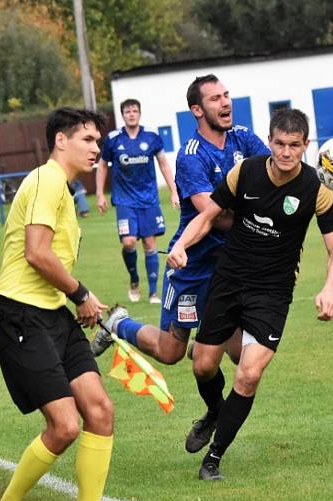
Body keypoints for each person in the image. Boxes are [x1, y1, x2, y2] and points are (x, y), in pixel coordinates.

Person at [0, 107, 136, 501]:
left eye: (98, 141)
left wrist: (81, 303)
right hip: (19, 315)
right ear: (60, 141)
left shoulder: (63, 190)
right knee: (65, 426)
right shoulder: (48, 180)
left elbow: (51, 262)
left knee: (100, 411)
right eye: (87, 139)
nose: (96, 148)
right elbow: (36, 254)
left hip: (52, 314)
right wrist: (81, 293)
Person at [90, 75, 269, 455]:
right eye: (215, 98)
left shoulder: (244, 139)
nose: (225, 103)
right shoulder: (191, 154)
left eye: (226, 95)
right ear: (197, 110)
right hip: (194, 265)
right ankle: (118, 323)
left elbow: (274, 174)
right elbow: (213, 214)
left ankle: (212, 411)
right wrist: (261, 223)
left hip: (233, 268)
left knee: (242, 356)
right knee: (172, 351)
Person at [166, 108, 333, 480]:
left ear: (305, 146)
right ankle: (215, 412)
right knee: (202, 364)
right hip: (229, 279)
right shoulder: (244, 172)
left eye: (294, 146)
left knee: (248, 375)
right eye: (279, 144)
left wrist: (329, 288)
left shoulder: (318, 190)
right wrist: (182, 244)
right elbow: (207, 216)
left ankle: (213, 459)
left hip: (273, 291)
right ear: (270, 141)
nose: (285, 152)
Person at [96, 98, 180, 304]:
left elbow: (163, 163)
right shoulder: (113, 139)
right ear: (122, 115)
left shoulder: (151, 137)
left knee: (150, 243)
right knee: (129, 241)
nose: (131, 114)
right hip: (124, 200)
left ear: (139, 114)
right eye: (127, 111)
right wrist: (99, 194)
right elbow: (103, 165)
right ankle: (134, 280)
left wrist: (174, 191)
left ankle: (153, 292)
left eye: (134, 111)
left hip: (149, 199)